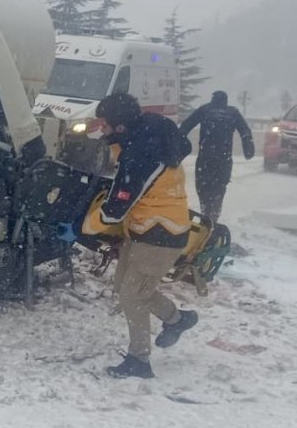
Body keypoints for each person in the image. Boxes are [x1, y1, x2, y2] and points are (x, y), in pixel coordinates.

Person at [94, 92, 198, 379]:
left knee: (133, 296)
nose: (101, 128)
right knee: (125, 287)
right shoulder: (148, 129)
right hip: (144, 228)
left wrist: (89, 221)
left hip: (161, 232)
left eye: (105, 124)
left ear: (121, 126)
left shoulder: (142, 154)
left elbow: (115, 208)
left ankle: (139, 361)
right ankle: (178, 319)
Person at [179, 91, 254, 222]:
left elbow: (186, 126)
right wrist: (248, 150)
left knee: (203, 188)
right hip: (223, 159)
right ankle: (214, 215)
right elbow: (245, 131)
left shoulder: (205, 110)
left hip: (205, 158)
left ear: (212, 99)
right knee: (219, 189)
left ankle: (206, 213)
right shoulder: (233, 113)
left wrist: (178, 145)